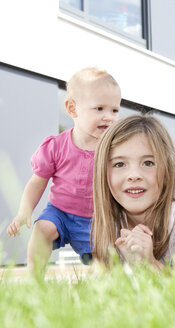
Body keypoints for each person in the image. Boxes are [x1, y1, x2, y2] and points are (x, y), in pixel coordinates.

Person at [7, 67, 121, 273]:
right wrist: (25, 211)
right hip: (59, 212)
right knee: (41, 230)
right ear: (72, 109)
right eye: (99, 109)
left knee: (105, 264)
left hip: (96, 219)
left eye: (114, 110)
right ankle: (36, 282)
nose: (109, 117)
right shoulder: (55, 146)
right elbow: (37, 181)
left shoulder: (114, 150)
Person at [91, 114, 175, 270]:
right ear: (102, 174)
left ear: (167, 171)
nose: (134, 175)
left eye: (148, 163)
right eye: (119, 164)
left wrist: (149, 263)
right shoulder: (110, 220)